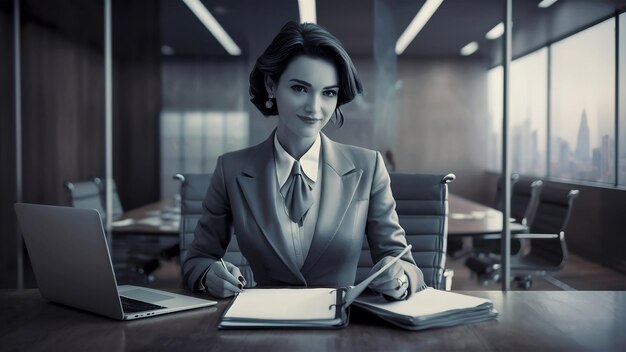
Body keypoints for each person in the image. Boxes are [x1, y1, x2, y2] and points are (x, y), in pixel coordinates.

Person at [183, 21, 426, 300]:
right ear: (271, 86)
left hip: (341, 329)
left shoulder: (367, 167)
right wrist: (208, 274)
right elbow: (196, 260)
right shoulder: (231, 170)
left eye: (328, 93)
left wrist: (399, 277)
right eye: (300, 89)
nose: (314, 107)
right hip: (262, 326)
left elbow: (404, 262)